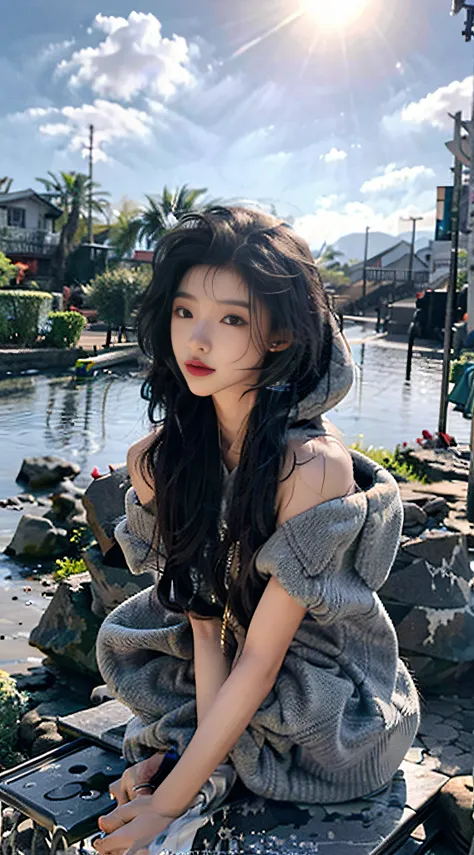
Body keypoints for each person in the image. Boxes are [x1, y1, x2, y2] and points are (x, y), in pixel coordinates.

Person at [93, 206, 420, 855]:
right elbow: (206, 623)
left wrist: (168, 803)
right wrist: (204, 771)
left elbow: (265, 660)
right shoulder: (167, 458)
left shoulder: (309, 468)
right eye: (185, 312)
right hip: (237, 661)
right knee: (134, 635)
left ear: (278, 334)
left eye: (232, 318)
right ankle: (215, 755)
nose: (198, 340)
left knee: (267, 714)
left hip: (322, 685)